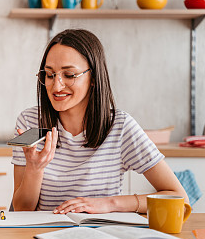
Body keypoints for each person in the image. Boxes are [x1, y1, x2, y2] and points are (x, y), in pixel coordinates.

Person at [11, 29, 188, 214]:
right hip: (41, 236)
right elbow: (22, 210)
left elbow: (180, 199)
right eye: (50, 75)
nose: (56, 86)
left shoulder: (120, 127)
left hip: (99, 238)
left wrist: (109, 203)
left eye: (69, 75)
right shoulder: (29, 122)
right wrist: (34, 168)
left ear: (94, 77)